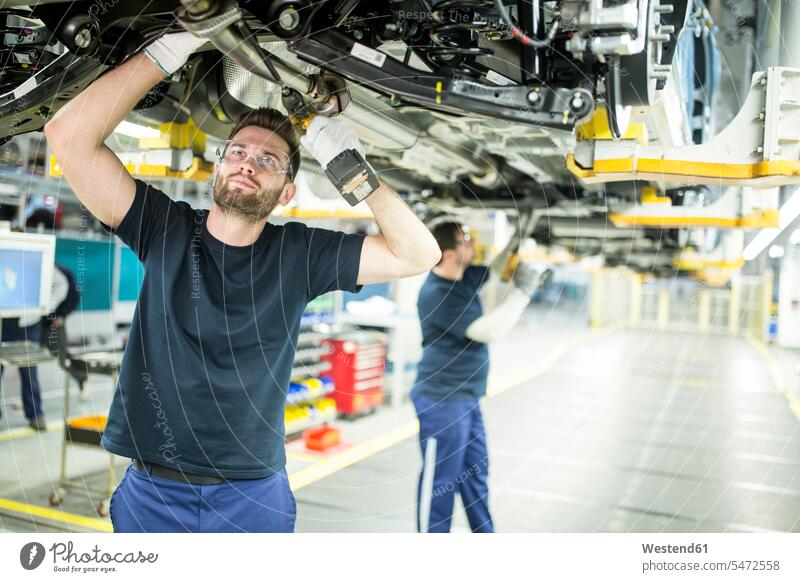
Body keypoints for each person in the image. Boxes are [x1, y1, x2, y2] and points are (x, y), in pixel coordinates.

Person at [43, 32, 440, 533]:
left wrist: (352, 172)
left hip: (251, 495)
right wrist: (169, 49)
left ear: (287, 192)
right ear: (219, 166)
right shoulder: (163, 228)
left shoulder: (299, 254)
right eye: (238, 151)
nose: (249, 161)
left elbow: (418, 254)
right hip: (153, 492)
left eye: (269, 160)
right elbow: (66, 136)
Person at [411, 220, 543, 533]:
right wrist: (523, 292)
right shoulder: (437, 293)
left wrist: (523, 227)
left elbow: (494, 269)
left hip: (466, 398)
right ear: (447, 254)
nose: (472, 244)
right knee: (441, 482)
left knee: (475, 474)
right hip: (442, 400)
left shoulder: (463, 277)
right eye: (464, 241)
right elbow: (487, 331)